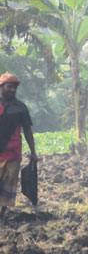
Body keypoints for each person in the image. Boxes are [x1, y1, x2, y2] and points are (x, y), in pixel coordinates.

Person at [0, 73, 37, 219]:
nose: (12, 90)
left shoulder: (21, 107)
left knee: (8, 187)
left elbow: (27, 130)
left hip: (13, 153)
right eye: (9, 87)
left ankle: (1, 216)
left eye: (14, 88)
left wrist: (33, 152)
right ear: (2, 87)